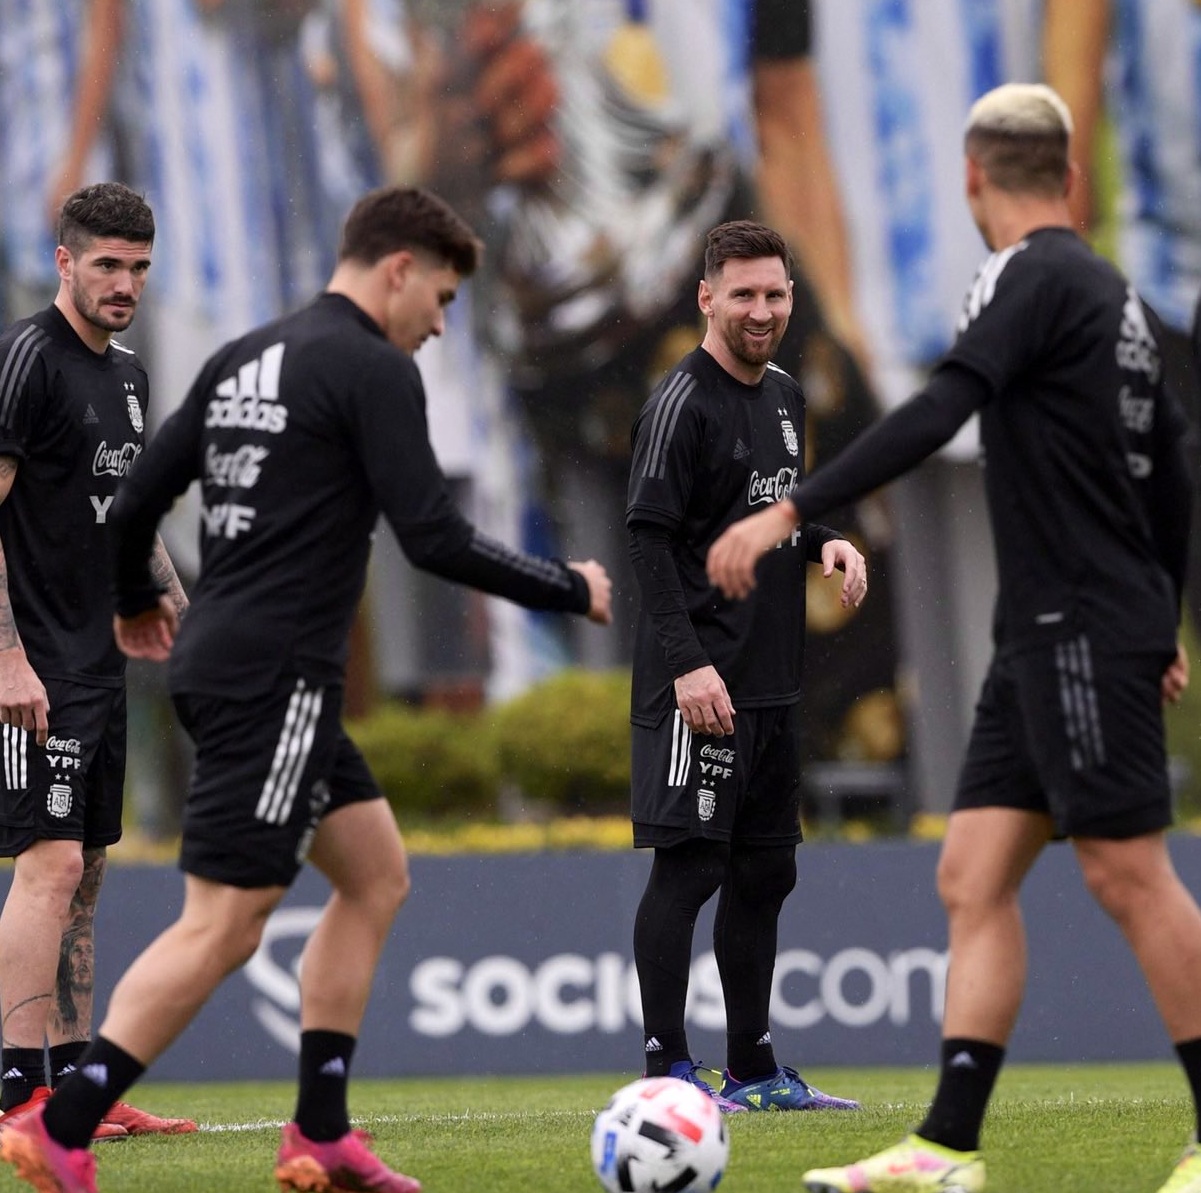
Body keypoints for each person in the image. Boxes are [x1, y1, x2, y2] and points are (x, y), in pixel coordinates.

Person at [0, 184, 612, 1193]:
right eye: (442, 297)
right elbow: (433, 536)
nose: (439, 323)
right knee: (224, 922)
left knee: (375, 875)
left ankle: (318, 1130)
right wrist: (566, 586)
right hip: (272, 676)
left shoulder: (246, 354)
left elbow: (137, 496)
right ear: (400, 269)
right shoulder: (372, 367)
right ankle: (58, 1120)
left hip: (234, 664)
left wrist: (138, 602)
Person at [707, 84, 1201, 1193]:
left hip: (1078, 623)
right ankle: (945, 1145)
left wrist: (789, 510)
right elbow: (1173, 463)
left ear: (972, 176)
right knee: (972, 874)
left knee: (1127, 871)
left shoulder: (1028, 278)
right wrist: (1165, 610)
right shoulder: (1112, 293)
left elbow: (941, 408)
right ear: (1068, 176)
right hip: (1051, 630)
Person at [626, 219, 866, 1115]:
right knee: (690, 869)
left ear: (790, 297)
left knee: (766, 872)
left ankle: (754, 1069)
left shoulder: (786, 397)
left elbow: (769, 511)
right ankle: (665, 1068)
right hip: (699, 686)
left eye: (773, 294)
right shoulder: (678, 402)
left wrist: (827, 538)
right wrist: (688, 666)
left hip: (770, 682)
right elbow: (648, 541)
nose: (759, 310)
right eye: (742, 295)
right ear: (706, 298)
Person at [0, 182, 194, 1141]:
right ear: (64, 261)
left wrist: (174, 601)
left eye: (139, 268)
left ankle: (75, 1087)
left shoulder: (127, 375)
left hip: (99, 660)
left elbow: (122, 510)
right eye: (107, 264)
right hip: (33, 670)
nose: (124, 283)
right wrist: (6, 660)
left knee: (86, 874)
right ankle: (14, 1092)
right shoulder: (26, 360)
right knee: (49, 865)